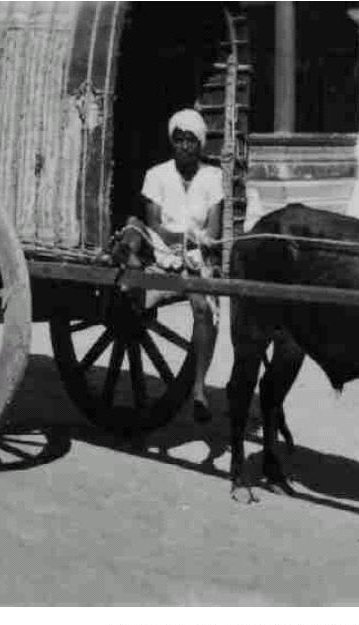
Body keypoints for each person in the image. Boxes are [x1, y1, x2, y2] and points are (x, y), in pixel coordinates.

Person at [137, 108, 223, 422]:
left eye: (191, 140)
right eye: (179, 140)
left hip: (197, 255)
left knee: (205, 309)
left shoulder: (213, 178)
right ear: (172, 142)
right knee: (136, 301)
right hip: (163, 253)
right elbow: (153, 224)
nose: (184, 146)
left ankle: (198, 388)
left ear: (200, 144)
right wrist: (181, 236)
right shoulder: (156, 175)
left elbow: (213, 231)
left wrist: (199, 243)